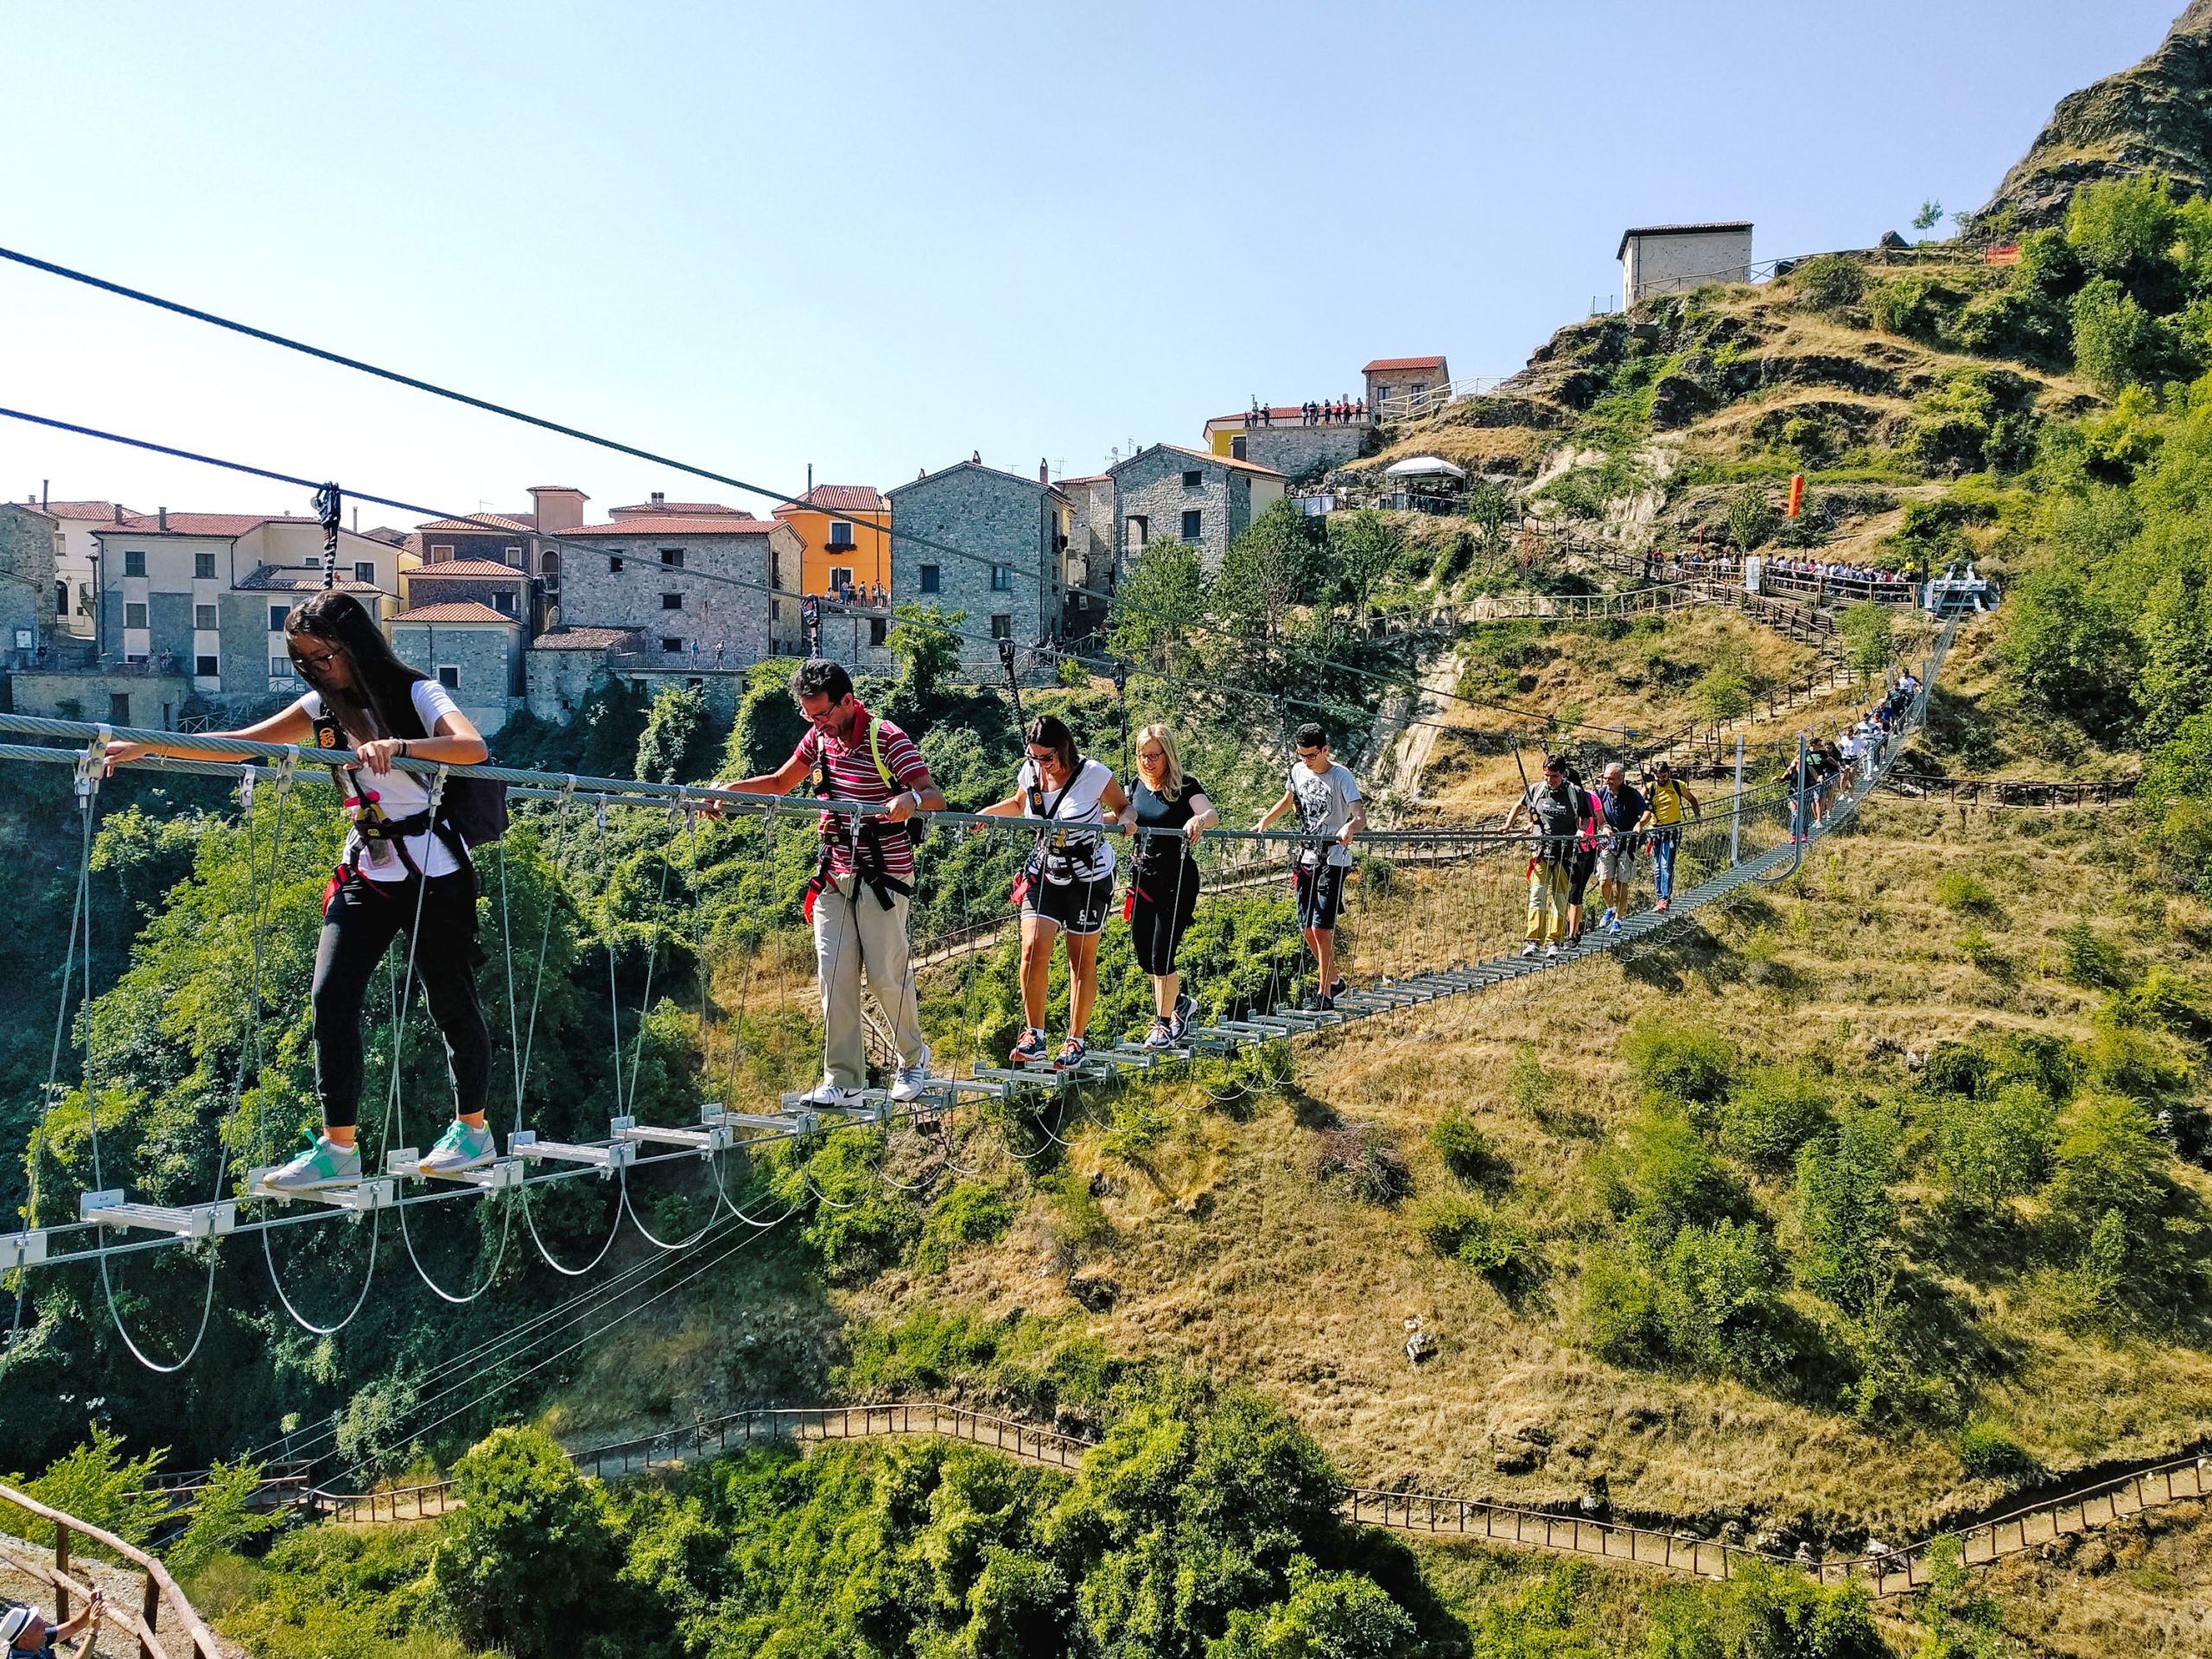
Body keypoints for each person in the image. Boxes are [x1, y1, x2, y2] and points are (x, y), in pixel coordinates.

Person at [105, 591, 494, 1192]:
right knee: (330, 996)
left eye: (325, 656)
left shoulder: (417, 695)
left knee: (449, 1001)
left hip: (433, 870)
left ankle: (473, 1130)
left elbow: (472, 749)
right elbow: (246, 743)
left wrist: (401, 746)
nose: (317, 670)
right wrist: (153, 746)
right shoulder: (321, 709)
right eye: (305, 661)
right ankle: (339, 1146)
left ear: (355, 646)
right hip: (368, 867)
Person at [713, 658, 944, 1107]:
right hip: (835, 873)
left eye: (823, 714)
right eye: (809, 715)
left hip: (883, 875)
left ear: (848, 702)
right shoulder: (818, 738)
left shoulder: (888, 738)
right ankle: (845, 1078)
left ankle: (914, 1061)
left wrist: (910, 798)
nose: (818, 723)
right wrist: (727, 790)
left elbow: (935, 796)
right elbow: (781, 782)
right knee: (833, 975)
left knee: (884, 974)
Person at [979, 715, 1129, 1069]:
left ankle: (1075, 1040)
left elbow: (1123, 807)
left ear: (1063, 749)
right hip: (1045, 870)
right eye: (1034, 756)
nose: (1041, 764)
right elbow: (1018, 805)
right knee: (1032, 948)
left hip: (1089, 876)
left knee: (1080, 960)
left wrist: (1126, 823)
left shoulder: (1092, 773)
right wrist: (986, 814)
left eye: (1047, 757)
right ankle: (1035, 1034)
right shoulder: (1030, 772)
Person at [1255, 723, 1365, 1011]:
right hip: (1305, 858)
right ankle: (1336, 981)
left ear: (1325, 750)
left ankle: (1325, 994)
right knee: (1306, 926)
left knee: (1322, 929)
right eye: (1301, 754)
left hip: (1333, 859)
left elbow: (1360, 816)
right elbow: (1288, 800)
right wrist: (1265, 822)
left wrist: (1349, 828)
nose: (1306, 760)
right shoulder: (1297, 771)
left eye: (1311, 755)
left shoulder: (1342, 776)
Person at [1122, 724, 1217, 1048]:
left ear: (1168, 754)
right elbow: (1122, 815)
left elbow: (1210, 813)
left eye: (1153, 755)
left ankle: (1163, 1025)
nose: (1147, 761)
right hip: (1142, 879)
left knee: (1162, 956)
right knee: (1144, 958)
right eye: (1142, 755)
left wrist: (1198, 820)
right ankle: (1179, 1005)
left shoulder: (1185, 786)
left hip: (1177, 880)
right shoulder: (1134, 787)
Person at [1509, 753, 1580, 957]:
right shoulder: (1536, 790)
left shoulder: (1574, 793)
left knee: (1558, 900)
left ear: (1563, 774)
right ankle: (1533, 941)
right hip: (1540, 852)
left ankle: (1553, 942)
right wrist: (1508, 826)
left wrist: (1582, 831)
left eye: (1554, 776)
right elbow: (1519, 806)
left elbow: (1586, 817)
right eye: (1547, 775)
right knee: (1536, 897)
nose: (1550, 780)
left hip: (1564, 854)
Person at [1639, 760, 1701, 914]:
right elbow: (1637, 803)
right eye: (1658, 777)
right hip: (1655, 831)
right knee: (1657, 868)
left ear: (1669, 773)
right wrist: (1646, 805)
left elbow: (1692, 800)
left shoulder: (1677, 785)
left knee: (1667, 865)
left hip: (1672, 830)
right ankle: (1660, 898)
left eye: (1664, 776)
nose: (1661, 779)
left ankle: (1665, 899)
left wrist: (1698, 816)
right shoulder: (1649, 788)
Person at [1594, 761, 1646, 932]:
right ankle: (1611, 908)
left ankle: (1618, 919)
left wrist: (1640, 824)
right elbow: (1590, 810)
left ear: (1621, 778)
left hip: (1627, 843)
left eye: (1611, 779)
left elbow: (1646, 811)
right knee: (1604, 881)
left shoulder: (1632, 794)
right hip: (1608, 843)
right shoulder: (1601, 794)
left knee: (1622, 884)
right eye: (1606, 778)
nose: (1607, 781)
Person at [1563, 764, 1602, 945]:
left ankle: (1573, 933)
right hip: (1565, 850)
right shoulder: (1561, 799)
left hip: (1586, 851)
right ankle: (1571, 929)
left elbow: (1600, 821)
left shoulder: (1590, 798)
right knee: (1567, 892)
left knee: (1575, 892)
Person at [3, 1592, 102, 1659]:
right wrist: (93, 1631)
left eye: (41, 1621)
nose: (44, 1626)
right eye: (38, 1626)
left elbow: (73, 1626)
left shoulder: (35, 1640)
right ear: (24, 1639)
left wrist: (92, 1606)